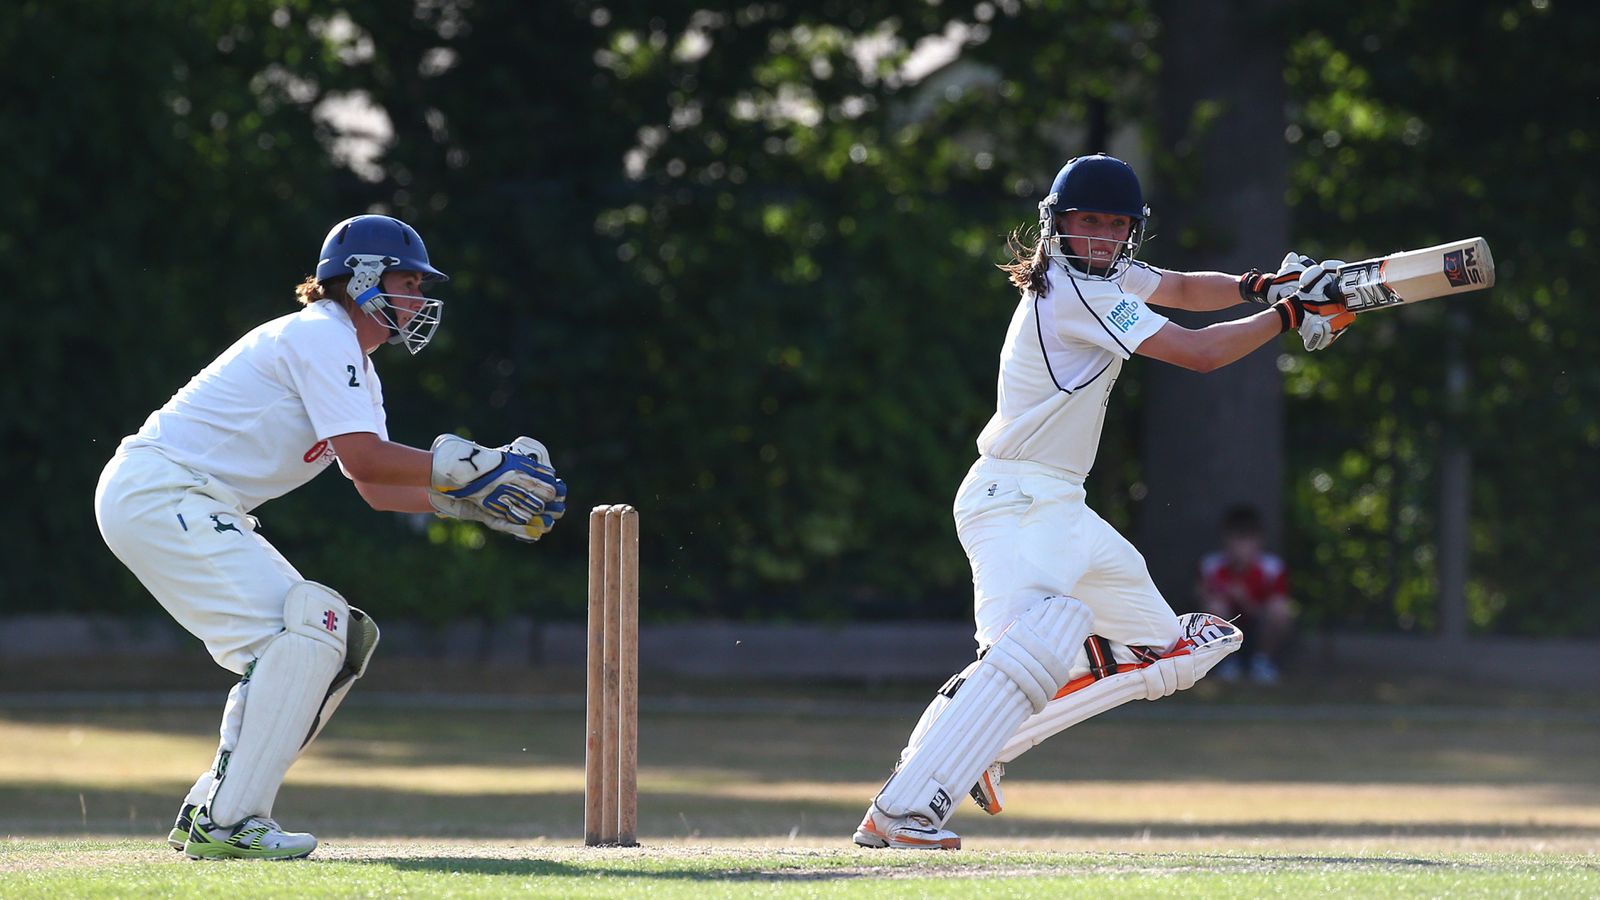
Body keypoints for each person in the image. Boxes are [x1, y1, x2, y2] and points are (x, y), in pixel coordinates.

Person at [852, 154, 1353, 850]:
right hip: (1015, 499)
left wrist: (1257, 284)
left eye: (1116, 226)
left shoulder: (1110, 276)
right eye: (1087, 223)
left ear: (1131, 232)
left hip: (1059, 504)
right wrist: (1290, 315)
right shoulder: (1073, 292)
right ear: (1056, 225)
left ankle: (988, 746)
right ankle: (902, 811)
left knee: (1171, 647)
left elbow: (1178, 286)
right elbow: (1197, 353)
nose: (1101, 238)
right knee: (1030, 643)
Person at [93, 214, 567, 860]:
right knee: (309, 627)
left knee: (337, 636)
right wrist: (468, 468)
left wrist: (468, 504)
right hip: (160, 490)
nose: (421, 300)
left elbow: (370, 484)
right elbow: (368, 461)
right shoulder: (323, 334)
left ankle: (217, 804)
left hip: (185, 498)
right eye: (408, 282)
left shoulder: (356, 367)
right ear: (363, 279)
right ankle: (229, 822)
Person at [1197, 504, 1295, 684]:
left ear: (1259, 541)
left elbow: (1277, 608)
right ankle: (1226, 661)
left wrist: (1244, 599)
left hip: (1259, 623)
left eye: (1247, 539)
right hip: (1226, 623)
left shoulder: (1272, 568)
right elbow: (1202, 603)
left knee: (1280, 610)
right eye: (1236, 539)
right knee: (1214, 606)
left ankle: (1262, 662)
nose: (1241, 547)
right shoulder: (1212, 566)